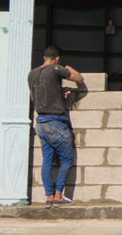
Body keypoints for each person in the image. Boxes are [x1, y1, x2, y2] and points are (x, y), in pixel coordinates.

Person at [28, 44, 85, 204]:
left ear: (44, 57)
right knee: (66, 159)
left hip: (41, 122)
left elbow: (34, 98)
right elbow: (79, 78)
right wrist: (65, 67)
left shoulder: (32, 73)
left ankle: (49, 196)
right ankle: (59, 194)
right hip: (56, 122)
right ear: (57, 58)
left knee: (47, 161)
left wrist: (55, 93)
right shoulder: (56, 69)